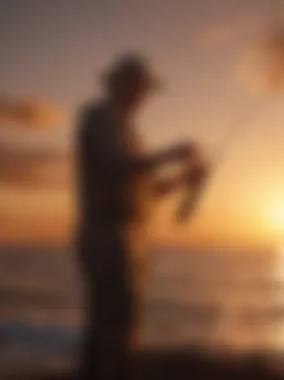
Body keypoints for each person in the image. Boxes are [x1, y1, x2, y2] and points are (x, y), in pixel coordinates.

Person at [74, 53, 207, 380]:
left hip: (127, 238)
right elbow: (118, 166)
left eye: (145, 90)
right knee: (111, 330)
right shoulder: (97, 117)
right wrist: (172, 153)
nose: (143, 96)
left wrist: (182, 182)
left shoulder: (130, 132)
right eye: (139, 88)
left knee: (122, 328)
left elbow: (145, 193)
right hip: (105, 234)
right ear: (120, 84)